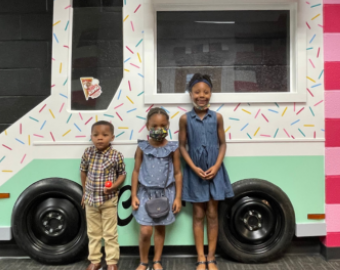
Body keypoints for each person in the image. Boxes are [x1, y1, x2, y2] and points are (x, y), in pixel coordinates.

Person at [179, 74, 234, 270]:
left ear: (210, 94)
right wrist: (193, 168)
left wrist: (217, 166)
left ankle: (211, 257)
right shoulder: (185, 119)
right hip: (195, 174)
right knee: (198, 215)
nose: (201, 95)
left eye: (205, 92)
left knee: (213, 214)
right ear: (191, 94)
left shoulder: (217, 117)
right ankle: (200, 257)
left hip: (215, 172)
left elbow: (222, 144)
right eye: (197, 92)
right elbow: (182, 146)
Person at [131, 107, 182, 270]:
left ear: (168, 126)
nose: (158, 129)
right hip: (145, 193)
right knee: (146, 230)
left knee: (160, 229)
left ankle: (157, 260)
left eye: (162, 125)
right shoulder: (142, 147)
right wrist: (133, 195)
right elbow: (136, 171)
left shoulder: (173, 148)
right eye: (154, 126)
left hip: (166, 193)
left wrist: (178, 198)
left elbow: (178, 173)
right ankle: (143, 261)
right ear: (147, 126)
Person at [80, 121, 127, 270]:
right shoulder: (88, 153)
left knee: (110, 233)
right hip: (90, 200)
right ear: (91, 137)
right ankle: (95, 260)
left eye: (104, 135)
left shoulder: (116, 155)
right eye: (96, 135)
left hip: (108, 201)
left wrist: (115, 186)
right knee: (93, 232)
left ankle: (112, 262)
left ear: (112, 137)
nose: (100, 138)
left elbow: (122, 174)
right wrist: (84, 192)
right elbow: (83, 172)